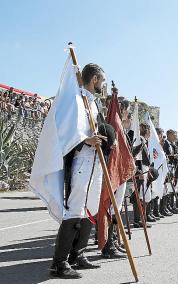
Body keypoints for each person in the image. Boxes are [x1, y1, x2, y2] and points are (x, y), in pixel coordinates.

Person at [50, 63, 110, 279]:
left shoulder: (93, 104)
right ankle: (59, 263)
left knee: (90, 207)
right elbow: (65, 132)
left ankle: (78, 254)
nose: (103, 85)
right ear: (94, 79)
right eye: (102, 80)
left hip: (96, 160)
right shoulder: (77, 101)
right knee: (76, 209)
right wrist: (86, 140)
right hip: (82, 161)